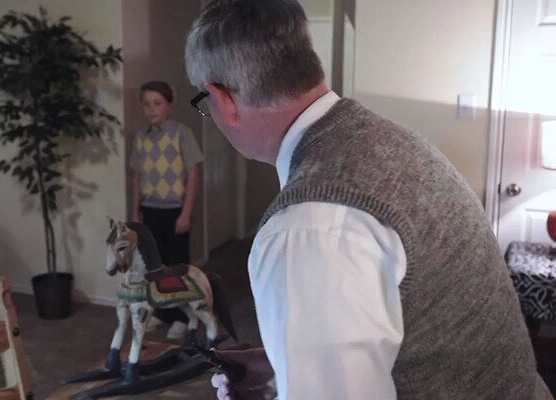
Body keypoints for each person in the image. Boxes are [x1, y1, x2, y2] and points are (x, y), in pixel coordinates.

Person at [185, 1, 552, 399]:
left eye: (205, 105)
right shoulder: (390, 140)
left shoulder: (310, 228)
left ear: (222, 98)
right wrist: (292, 362)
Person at [129, 81, 204, 339]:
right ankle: (163, 312)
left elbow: (194, 173)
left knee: (177, 266)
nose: (151, 109)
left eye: (157, 103)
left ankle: (183, 315)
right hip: (150, 210)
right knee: (155, 265)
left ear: (169, 106)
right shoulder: (141, 137)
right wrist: (135, 213)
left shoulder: (182, 133)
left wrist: (186, 212)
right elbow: (137, 177)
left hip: (175, 210)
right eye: (147, 104)